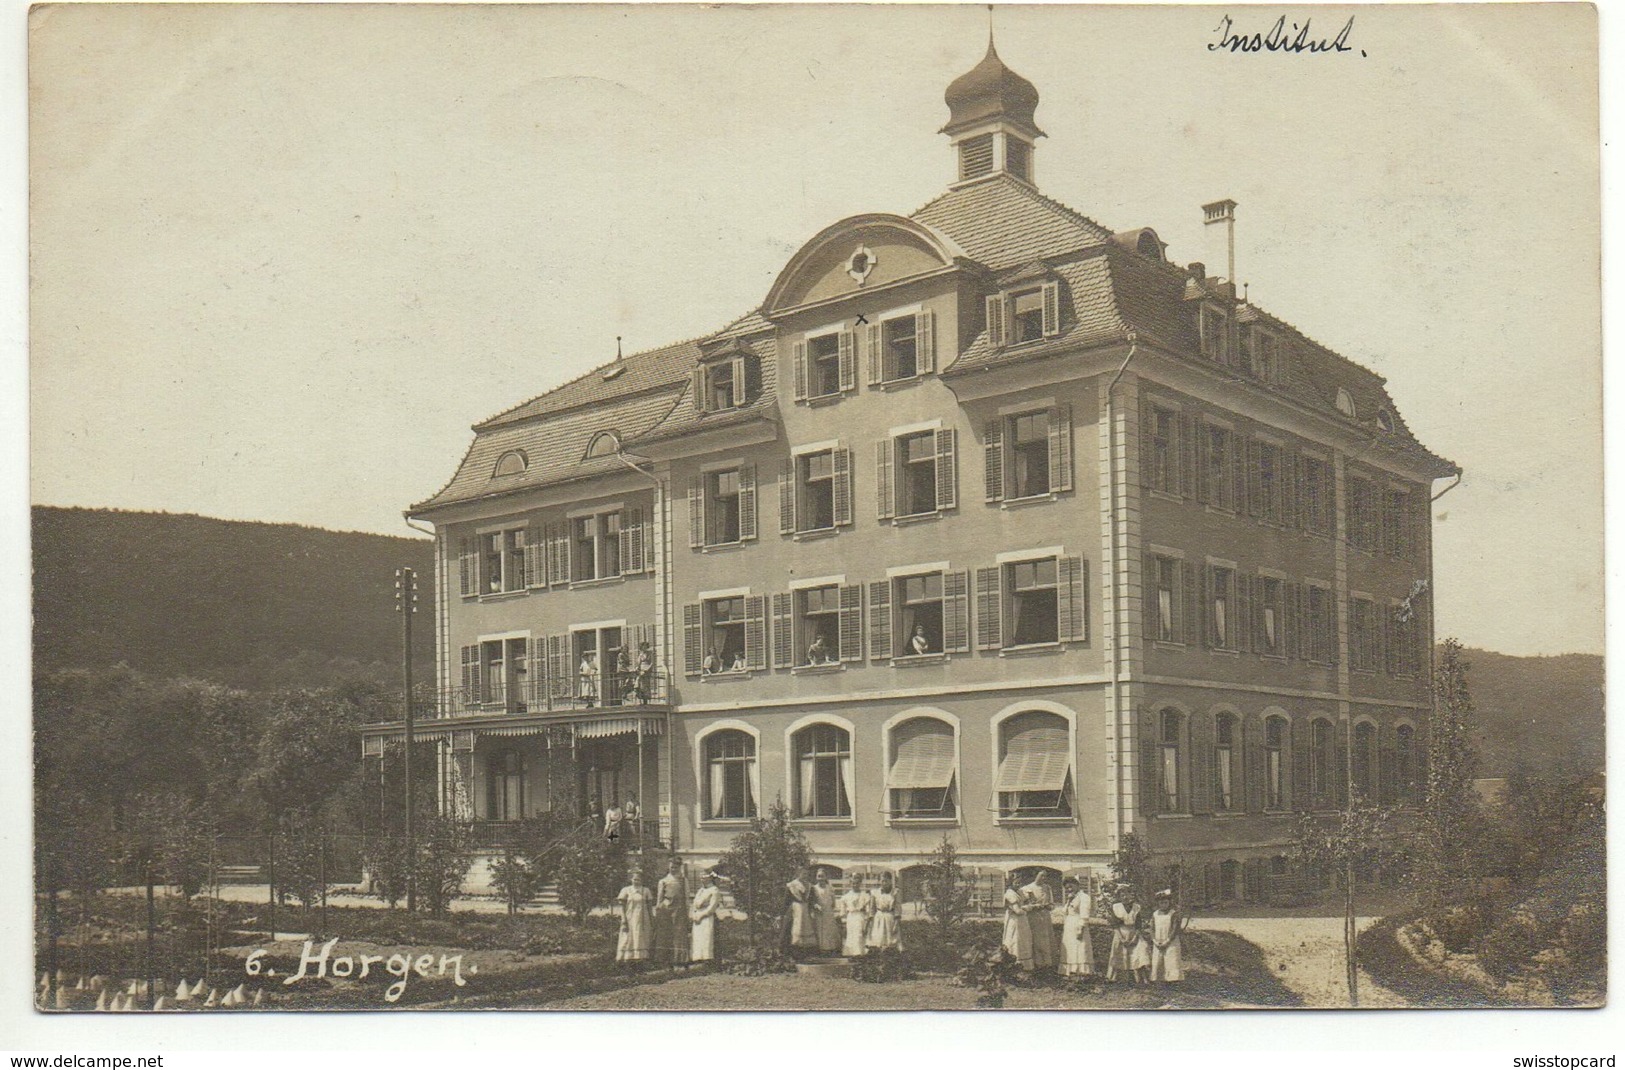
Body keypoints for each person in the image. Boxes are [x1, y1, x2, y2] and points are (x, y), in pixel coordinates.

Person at [1107, 885, 1151, 983]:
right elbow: (1115, 925)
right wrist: (1121, 938)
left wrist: (1135, 937)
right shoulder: (1116, 907)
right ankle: (1114, 977)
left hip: (1134, 933)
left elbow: (1138, 925)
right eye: (1122, 895)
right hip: (1121, 933)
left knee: (1140, 952)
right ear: (1119, 897)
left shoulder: (1136, 907)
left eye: (1127, 894)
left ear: (1130, 895)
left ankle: (1143, 979)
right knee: (1118, 953)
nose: (1125, 897)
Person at [1059, 877, 1097, 978]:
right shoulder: (1071, 897)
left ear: (1077, 885)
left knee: (1080, 947)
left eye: (1071, 887)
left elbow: (1084, 914)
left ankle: (1081, 972)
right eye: (1067, 888)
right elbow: (1064, 912)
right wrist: (1068, 901)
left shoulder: (1084, 897)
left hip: (1078, 924)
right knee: (1070, 948)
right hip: (1069, 926)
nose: (1069, 890)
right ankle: (1069, 972)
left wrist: (1081, 928)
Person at [615, 866, 654, 966]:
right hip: (630, 918)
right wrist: (624, 919)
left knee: (641, 936)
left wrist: (652, 919)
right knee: (628, 936)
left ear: (642, 880)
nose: (636, 881)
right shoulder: (626, 890)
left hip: (642, 918)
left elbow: (649, 907)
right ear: (631, 879)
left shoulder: (646, 891)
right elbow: (622, 907)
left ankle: (640, 959)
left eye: (638, 879)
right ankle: (627, 959)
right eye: (634, 879)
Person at [655, 859, 690, 968]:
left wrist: (688, 912)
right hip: (666, 911)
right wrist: (659, 910)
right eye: (671, 867)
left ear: (679, 868)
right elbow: (659, 899)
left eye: (675, 867)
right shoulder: (663, 881)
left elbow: (687, 897)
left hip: (680, 911)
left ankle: (681, 960)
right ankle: (666, 961)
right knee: (667, 935)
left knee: (679, 935)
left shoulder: (684, 880)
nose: (673, 869)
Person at [1149, 889, 1188, 984]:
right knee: (1158, 959)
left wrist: (1168, 941)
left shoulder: (1173, 914)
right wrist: (1154, 940)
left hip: (1171, 941)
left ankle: (1173, 980)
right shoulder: (1155, 914)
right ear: (1158, 903)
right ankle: (1159, 979)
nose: (1163, 905)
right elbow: (1152, 928)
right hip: (1158, 941)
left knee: (1172, 959)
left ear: (1169, 902)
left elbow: (1175, 929)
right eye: (1161, 903)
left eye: (1166, 903)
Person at [1021, 871, 1057, 972]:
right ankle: (1036, 963)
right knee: (1035, 939)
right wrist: (1033, 906)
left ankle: (1047, 964)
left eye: (1045, 876)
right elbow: (1023, 904)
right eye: (1041, 876)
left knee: (1046, 939)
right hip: (1033, 916)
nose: (1043, 878)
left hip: (1045, 916)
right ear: (1035, 876)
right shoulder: (1027, 888)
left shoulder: (1047, 888)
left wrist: (1048, 906)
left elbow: (1052, 904)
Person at [1000, 872, 1033, 970]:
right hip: (1015, 920)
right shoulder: (1010, 894)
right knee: (1015, 939)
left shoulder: (1018, 892)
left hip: (1021, 921)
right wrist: (1028, 908)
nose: (1018, 885)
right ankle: (1015, 962)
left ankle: (1025, 964)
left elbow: (1026, 898)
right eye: (1016, 883)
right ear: (1010, 883)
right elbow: (1017, 911)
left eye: (1019, 883)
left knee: (1023, 940)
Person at [689, 871, 722, 964]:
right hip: (697, 917)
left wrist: (701, 915)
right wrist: (693, 914)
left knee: (707, 938)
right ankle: (698, 959)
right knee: (697, 938)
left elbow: (712, 907)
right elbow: (695, 903)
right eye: (701, 877)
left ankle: (708, 960)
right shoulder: (701, 890)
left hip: (707, 917)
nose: (702, 878)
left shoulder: (714, 890)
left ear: (710, 878)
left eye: (704, 876)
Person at [866, 873, 903, 953]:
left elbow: (897, 907)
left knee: (891, 940)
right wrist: (871, 921)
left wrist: (896, 921)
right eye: (882, 881)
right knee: (878, 939)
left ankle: (890, 957)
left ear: (890, 881)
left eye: (886, 881)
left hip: (890, 917)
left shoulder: (895, 892)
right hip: (879, 917)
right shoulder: (875, 892)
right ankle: (879, 958)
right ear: (879, 881)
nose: (884, 883)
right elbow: (872, 908)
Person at [837, 874, 872, 957]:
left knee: (859, 937)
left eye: (857, 883)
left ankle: (859, 956)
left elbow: (868, 911)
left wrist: (866, 924)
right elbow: (843, 912)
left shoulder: (865, 896)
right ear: (850, 883)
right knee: (851, 937)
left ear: (860, 883)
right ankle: (851, 956)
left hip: (860, 918)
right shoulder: (846, 897)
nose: (855, 885)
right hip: (850, 918)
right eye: (853, 883)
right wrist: (844, 923)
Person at [785, 866, 817, 956]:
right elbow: (786, 900)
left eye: (807, 874)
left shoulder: (809, 886)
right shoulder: (791, 885)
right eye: (803, 874)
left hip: (806, 909)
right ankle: (794, 952)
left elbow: (811, 899)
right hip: (795, 909)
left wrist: (813, 907)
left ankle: (805, 952)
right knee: (795, 928)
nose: (805, 876)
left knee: (806, 928)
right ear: (798, 874)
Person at [813, 869, 841, 954]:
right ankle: (821, 949)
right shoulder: (814, 888)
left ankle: (831, 949)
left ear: (826, 877)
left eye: (822, 876)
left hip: (828, 912)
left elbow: (833, 901)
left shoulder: (830, 888)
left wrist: (830, 908)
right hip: (819, 912)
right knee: (820, 930)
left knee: (830, 930)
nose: (820, 878)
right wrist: (816, 906)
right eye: (819, 876)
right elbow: (812, 901)